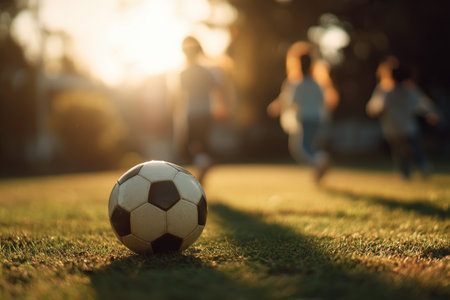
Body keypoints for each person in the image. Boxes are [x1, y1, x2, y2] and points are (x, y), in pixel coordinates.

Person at [268, 42, 338, 182]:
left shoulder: (297, 84)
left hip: (304, 118)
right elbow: (324, 101)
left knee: (300, 149)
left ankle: (321, 159)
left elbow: (290, 101)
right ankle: (318, 172)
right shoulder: (317, 84)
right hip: (317, 119)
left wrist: (277, 107)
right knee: (310, 146)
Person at [366, 61, 439, 179]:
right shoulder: (385, 90)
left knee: (414, 150)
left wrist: (431, 113)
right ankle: (406, 174)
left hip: (406, 127)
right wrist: (374, 109)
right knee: (401, 153)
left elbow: (421, 103)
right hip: (395, 128)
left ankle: (421, 169)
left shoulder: (407, 89)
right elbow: (374, 106)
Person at [172, 36, 228, 184]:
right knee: (199, 146)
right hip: (203, 114)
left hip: (195, 115)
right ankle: (204, 163)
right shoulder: (203, 72)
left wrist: (220, 106)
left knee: (189, 148)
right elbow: (217, 89)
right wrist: (220, 106)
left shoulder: (186, 73)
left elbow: (179, 97)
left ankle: (205, 163)